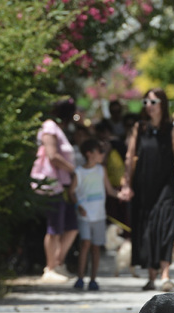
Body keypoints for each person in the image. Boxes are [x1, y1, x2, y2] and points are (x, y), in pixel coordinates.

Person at [119, 88, 174, 292]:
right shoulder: (139, 128)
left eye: (153, 102)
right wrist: (126, 184)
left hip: (165, 186)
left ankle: (165, 274)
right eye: (146, 103)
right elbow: (129, 157)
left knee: (166, 226)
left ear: (162, 104)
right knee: (146, 228)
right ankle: (151, 276)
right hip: (143, 186)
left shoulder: (172, 130)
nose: (149, 107)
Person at [30, 98, 79, 282]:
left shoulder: (59, 129)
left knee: (71, 226)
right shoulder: (49, 127)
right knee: (54, 227)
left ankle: (58, 263)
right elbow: (52, 155)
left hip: (64, 185)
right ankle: (49, 268)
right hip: (52, 184)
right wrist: (73, 170)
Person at [74, 139, 119, 291]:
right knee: (85, 243)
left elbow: (110, 190)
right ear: (89, 154)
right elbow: (72, 191)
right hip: (85, 215)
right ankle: (80, 277)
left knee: (96, 246)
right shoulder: (79, 172)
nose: (102, 155)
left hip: (99, 214)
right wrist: (78, 205)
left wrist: (122, 195)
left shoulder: (101, 170)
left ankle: (93, 279)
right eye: (99, 152)